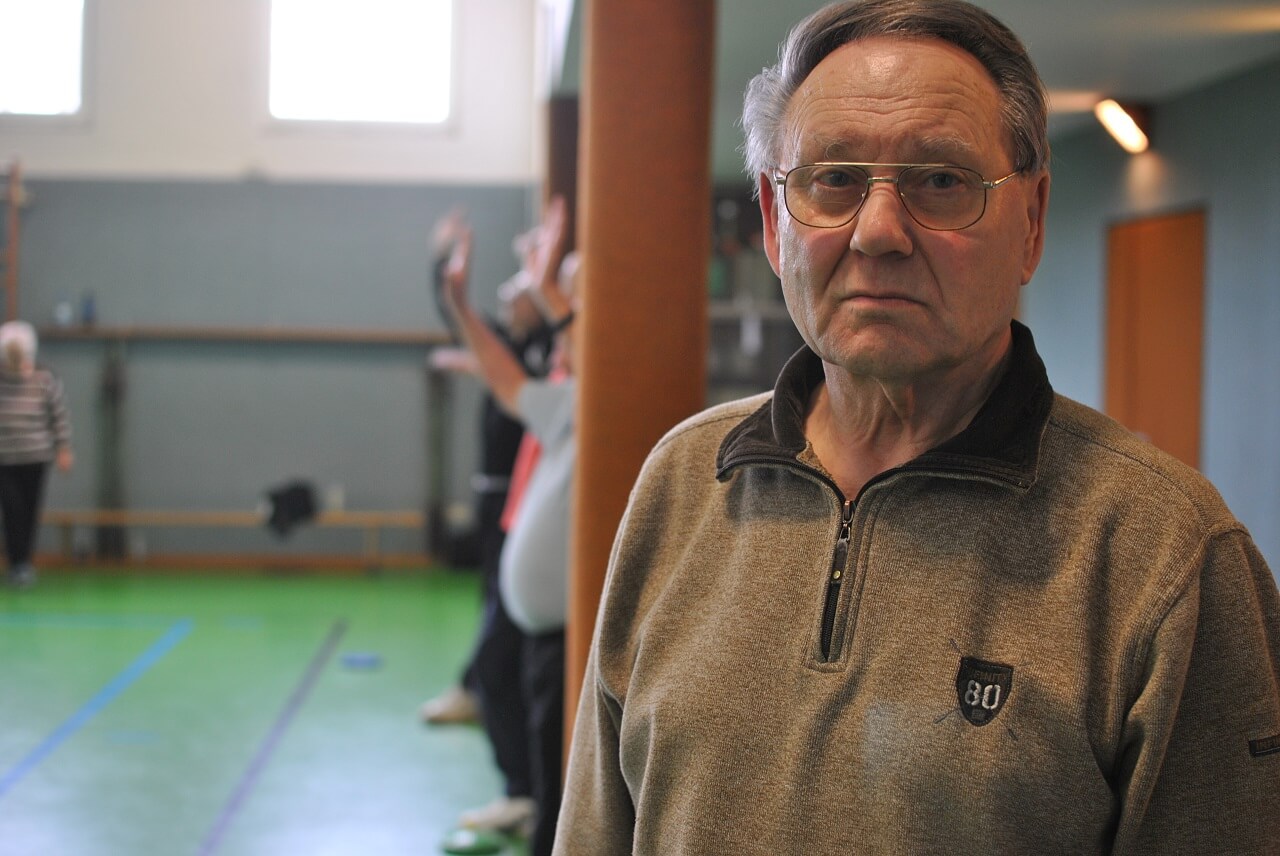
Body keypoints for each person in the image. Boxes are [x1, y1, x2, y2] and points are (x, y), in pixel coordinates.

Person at [554, 2, 1280, 853]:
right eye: (832, 181)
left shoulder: (1166, 556)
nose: (879, 231)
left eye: (941, 181)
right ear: (772, 220)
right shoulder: (683, 480)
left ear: (1032, 222)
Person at [442, 197, 578, 856]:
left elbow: (515, 369)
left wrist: (547, 280)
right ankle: (525, 801)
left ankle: (532, 811)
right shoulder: (567, 398)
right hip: (539, 621)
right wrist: (463, 309)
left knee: (561, 783)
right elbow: (504, 376)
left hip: (563, 629)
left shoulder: (596, 399)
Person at [420, 211, 554, 732]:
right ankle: (477, 684)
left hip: (516, 498)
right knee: (492, 601)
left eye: (515, 293)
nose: (504, 300)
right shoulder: (512, 346)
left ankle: (477, 686)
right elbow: (457, 315)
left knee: (503, 607)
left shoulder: (538, 353)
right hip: (492, 492)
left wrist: (534, 263)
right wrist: (442, 260)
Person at [0, 320, 73, 589]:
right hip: (5, 457)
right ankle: (15, 561)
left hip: (36, 456)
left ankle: (23, 563)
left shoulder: (45, 379)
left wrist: (63, 448)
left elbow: (59, 415)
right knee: (11, 510)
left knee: (30, 510)